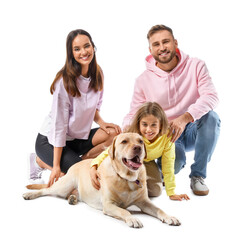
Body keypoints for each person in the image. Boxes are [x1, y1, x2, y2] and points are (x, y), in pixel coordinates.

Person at [122, 25, 220, 196]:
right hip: (166, 135)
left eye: (166, 42)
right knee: (176, 161)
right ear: (150, 49)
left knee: (211, 117)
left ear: (175, 43)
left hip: (190, 127)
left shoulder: (196, 66)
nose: (162, 48)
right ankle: (159, 174)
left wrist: (184, 118)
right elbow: (134, 113)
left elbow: (211, 96)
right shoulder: (143, 80)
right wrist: (126, 132)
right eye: (156, 44)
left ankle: (197, 176)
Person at [30, 29, 121, 187]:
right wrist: (56, 166)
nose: (84, 52)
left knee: (114, 134)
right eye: (77, 49)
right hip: (50, 141)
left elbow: (94, 108)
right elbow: (59, 127)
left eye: (87, 46)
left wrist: (102, 123)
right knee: (75, 177)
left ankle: (77, 164)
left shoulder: (98, 74)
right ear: (71, 53)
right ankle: (40, 161)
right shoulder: (64, 82)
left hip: (76, 138)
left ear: (93, 47)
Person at [90, 102, 190, 201]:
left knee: (156, 190)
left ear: (161, 124)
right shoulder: (133, 133)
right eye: (144, 124)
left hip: (145, 162)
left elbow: (168, 164)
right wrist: (94, 165)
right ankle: (119, 185)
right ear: (139, 124)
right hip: (126, 162)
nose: (149, 130)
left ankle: (133, 184)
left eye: (154, 125)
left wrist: (171, 192)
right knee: (117, 176)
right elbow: (110, 150)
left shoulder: (167, 137)